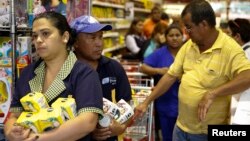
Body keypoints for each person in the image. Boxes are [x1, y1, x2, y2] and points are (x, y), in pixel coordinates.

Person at [135, 0, 250, 141]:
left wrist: (213, 93)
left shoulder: (230, 49)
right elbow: (171, 76)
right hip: (181, 127)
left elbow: (247, 77)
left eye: (189, 27)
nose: (186, 33)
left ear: (204, 25)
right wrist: (146, 102)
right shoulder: (190, 45)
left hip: (206, 133)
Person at [4, 11, 103, 141]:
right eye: (35, 36)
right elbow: (13, 116)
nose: (38, 40)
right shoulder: (28, 73)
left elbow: (87, 122)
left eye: (45, 33)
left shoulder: (84, 74)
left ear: (65, 37)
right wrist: (11, 131)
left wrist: (40, 138)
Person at [70, 15, 132, 141]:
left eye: (100, 37)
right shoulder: (65, 70)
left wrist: (121, 126)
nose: (99, 43)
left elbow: (127, 103)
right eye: (92, 38)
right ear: (75, 42)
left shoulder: (113, 67)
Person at [140, 24, 183, 141]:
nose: (174, 38)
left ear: (182, 37)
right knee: (168, 136)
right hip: (166, 102)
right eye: (171, 35)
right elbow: (143, 67)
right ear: (166, 37)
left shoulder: (188, 52)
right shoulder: (160, 53)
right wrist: (158, 70)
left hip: (186, 104)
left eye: (178, 35)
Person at [227, 18, 250, 124]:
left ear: (237, 37)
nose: (226, 38)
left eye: (229, 34)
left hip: (244, 111)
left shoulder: (244, 56)